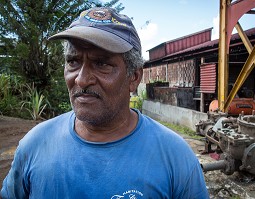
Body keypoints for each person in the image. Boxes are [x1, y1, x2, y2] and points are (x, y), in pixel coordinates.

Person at [1, 7, 209, 198]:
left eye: (101, 63)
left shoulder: (175, 158)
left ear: (134, 77)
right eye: (73, 62)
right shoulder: (34, 145)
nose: (81, 79)